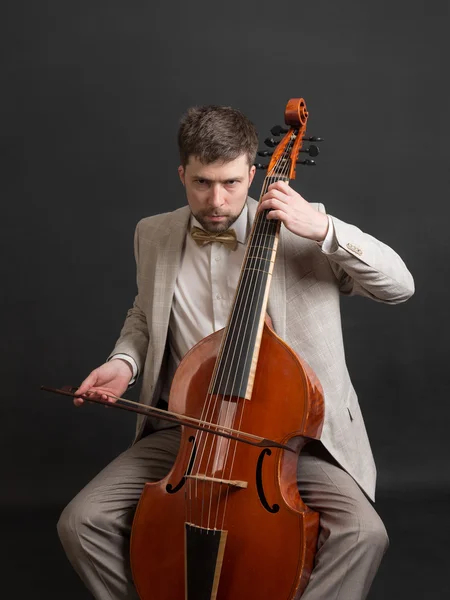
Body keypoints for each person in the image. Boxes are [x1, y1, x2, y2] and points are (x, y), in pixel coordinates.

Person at [57, 104, 414, 600]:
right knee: (82, 521)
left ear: (252, 173)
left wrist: (326, 231)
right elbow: (145, 315)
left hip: (288, 437)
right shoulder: (153, 234)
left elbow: (400, 287)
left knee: (362, 534)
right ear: (182, 173)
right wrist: (124, 363)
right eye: (202, 182)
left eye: (230, 182)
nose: (218, 200)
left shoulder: (300, 227)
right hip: (191, 430)